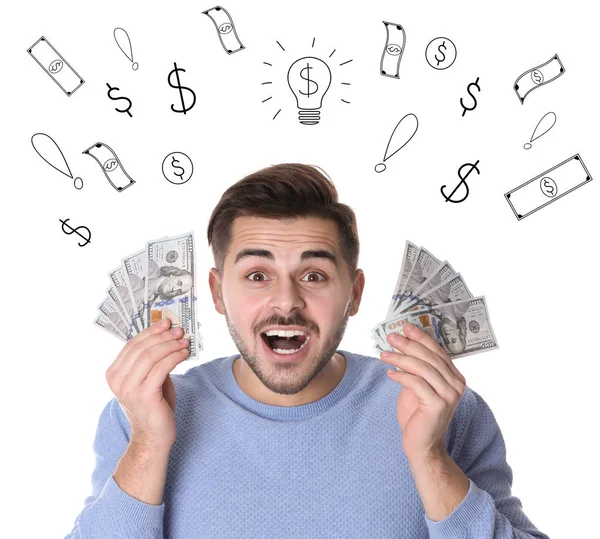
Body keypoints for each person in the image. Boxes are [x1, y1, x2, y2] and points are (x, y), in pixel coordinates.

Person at [65, 164, 550, 538]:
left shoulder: (444, 407)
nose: (286, 301)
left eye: (314, 275)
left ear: (354, 293)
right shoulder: (142, 413)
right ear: (216, 293)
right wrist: (149, 443)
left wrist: (429, 458)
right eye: (257, 275)